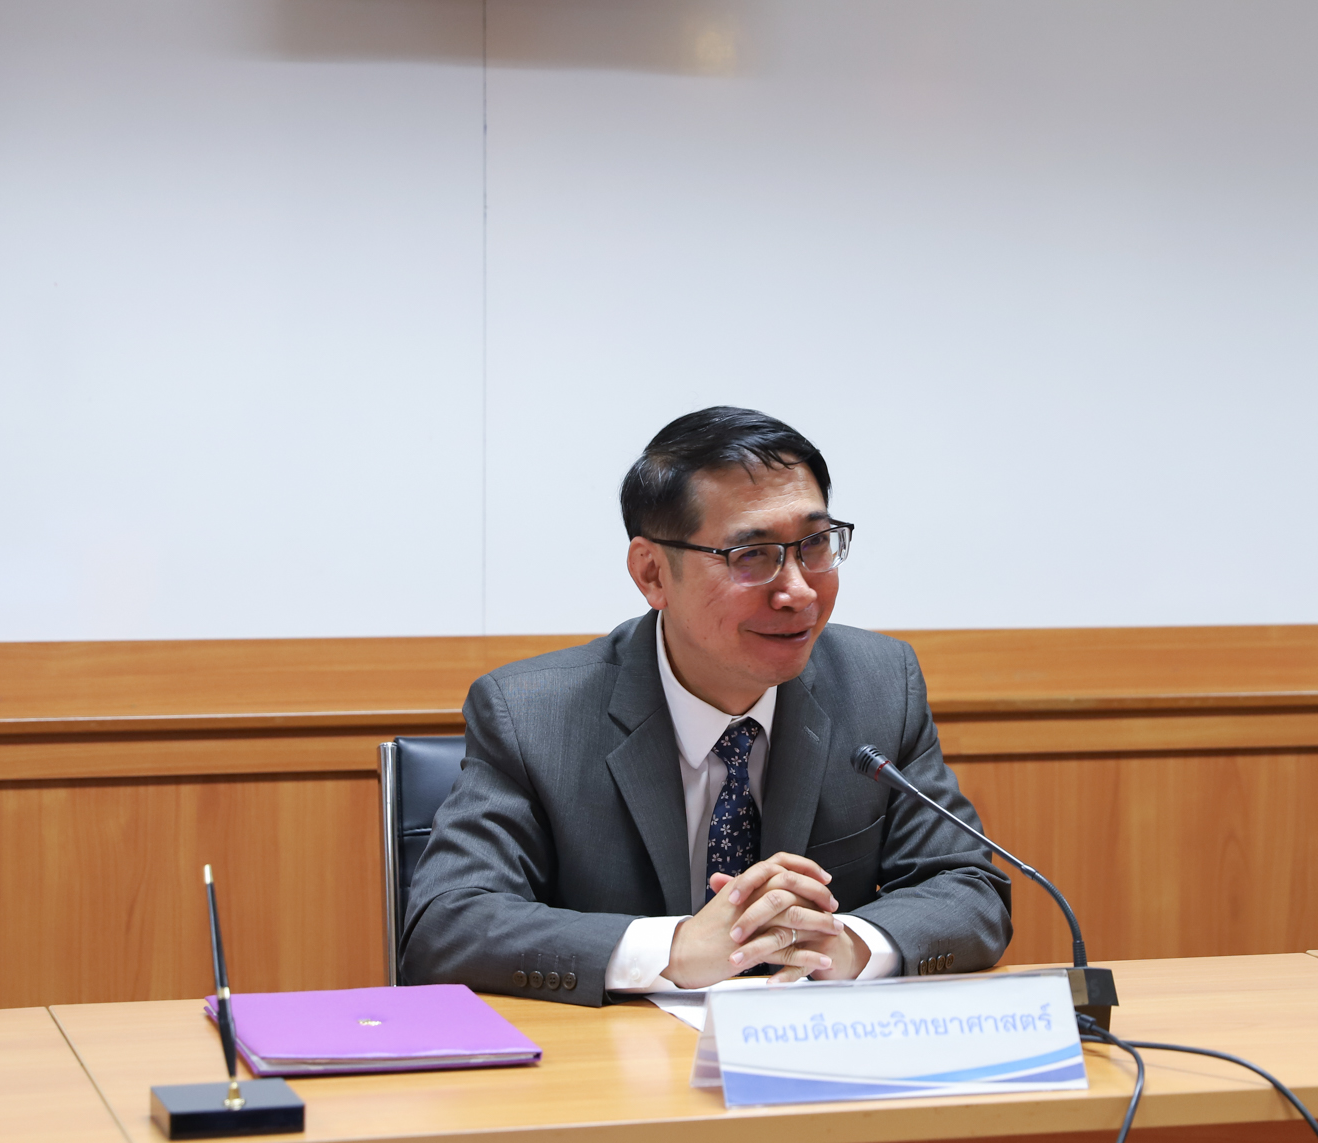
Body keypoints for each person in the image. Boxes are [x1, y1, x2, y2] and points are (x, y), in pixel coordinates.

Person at [400, 406, 1013, 1004]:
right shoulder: (532, 715)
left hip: (819, 1045)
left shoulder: (879, 686)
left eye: (815, 544)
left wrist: (848, 945)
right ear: (652, 573)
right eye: (751, 555)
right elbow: (448, 920)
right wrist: (673, 948)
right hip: (621, 1061)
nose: (798, 591)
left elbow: (968, 886)